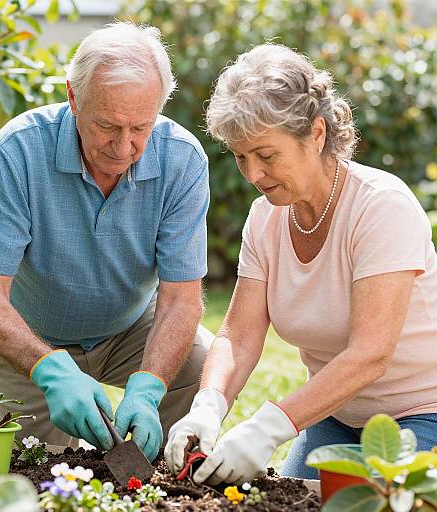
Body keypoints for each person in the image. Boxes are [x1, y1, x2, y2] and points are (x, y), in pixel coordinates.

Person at [165, 43, 437, 484]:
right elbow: (239, 335)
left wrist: (269, 427)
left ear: (315, 134)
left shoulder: (381, 207)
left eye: (266, 155)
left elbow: (371, 354)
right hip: (335, 418)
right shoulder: (266, 217)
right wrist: (208, 405)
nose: (252, 174)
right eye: (240, 157)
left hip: (424, 416)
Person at [0, 21, 213, 462]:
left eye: (141, 127)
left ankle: (167, 471)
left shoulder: (182, 159)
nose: (124, 146)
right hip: (32, 335)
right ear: (74, 98)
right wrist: (51, 369)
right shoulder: (19, 150)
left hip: (130, 328)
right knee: (32, 473)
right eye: (107, 125)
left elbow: (180, 300)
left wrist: (151, 384)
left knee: (201, 364)